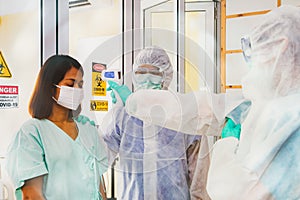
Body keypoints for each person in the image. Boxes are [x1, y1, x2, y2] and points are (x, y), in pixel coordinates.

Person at [110, 5, 300, 199]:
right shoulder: (267, 103)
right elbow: (200, 109)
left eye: (253, 51)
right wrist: (136, 102)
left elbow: (234, 191)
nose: (250, 62)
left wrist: (226, 144)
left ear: (281, 46)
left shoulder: (292, 121)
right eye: (141, 73)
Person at [101, 46, 201, 199]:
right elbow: (100, 157)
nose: (147, 78)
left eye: (154, 73)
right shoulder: (123, 115)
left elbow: (198, 175)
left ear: (166, 76)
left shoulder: (181, 114)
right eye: (141, 72)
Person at [5, 55, 108, 200]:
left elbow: (98, 186)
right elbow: (31, 194)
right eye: (70, 84)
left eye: (80, 84)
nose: (77, 89)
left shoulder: (87, 129)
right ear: (50, 87)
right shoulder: (32, 133)